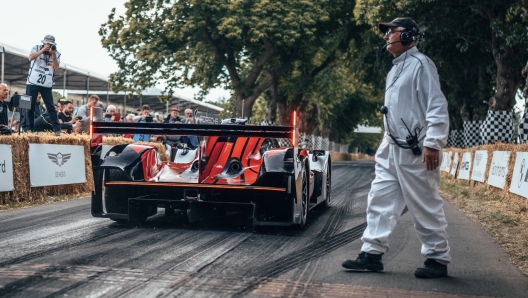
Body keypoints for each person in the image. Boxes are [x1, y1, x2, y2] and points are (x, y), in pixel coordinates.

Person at [341, 17, 451, 279]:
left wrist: (433, 144)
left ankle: (437, 258)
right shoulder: (395, 69)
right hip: (391, 148)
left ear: (409, 35)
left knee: (424, 203)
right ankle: (371, 253)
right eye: (386, 32)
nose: (386, 35)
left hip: (416, 152)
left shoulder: (422, 65)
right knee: (379, 199)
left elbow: (436, 106)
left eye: (392, 31)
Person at [22, 35, 62, 135]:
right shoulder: (36, 48)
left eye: (50, 45)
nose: (49, 46)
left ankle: (57, 129)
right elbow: (30, 58)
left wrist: (53, 55)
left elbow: (56, 67)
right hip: (33, 82)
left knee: (51, 107)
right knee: (29, 107)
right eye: (47, 44)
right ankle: (30, 129)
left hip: (46, 84)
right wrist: (42, 50)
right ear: (43, 43)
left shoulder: (56, 53)